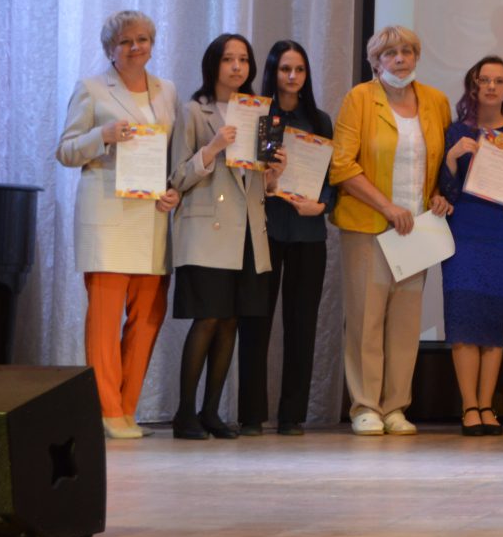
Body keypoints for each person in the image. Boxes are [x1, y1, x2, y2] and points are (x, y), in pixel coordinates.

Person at [56, 10, 182, 440]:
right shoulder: (91, 89)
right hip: (108, 216)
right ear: (110, 49)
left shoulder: (167, 90)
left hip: (152, 215)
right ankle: (107, 409)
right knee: (105, 321)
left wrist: (173, 189)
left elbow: (172, 153)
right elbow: (66, 151)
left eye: (142, 39)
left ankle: (127, 408)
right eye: (126, 41)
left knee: (148, 318)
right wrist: (103, 135)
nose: (135, 47)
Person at [329, 23, 453, 436]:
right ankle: (365, 406)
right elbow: (342, 166)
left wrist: (439, 195)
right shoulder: (359, 99)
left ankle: (396, 407)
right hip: (368, 225)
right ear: (376, 61)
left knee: (405, 323)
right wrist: (387, 207)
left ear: (417, 56)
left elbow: (440, 163)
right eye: (390, 53)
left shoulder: (435, 101)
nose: (400, 59)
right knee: (366, 320)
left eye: (407, 52)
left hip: (417, 229)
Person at [167, 33, 276, 440]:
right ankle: (184, 413)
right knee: (208, 318)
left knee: (231, 320)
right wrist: (212, 148)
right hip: (206, 230)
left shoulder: (260, 113)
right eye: (229, 59)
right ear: (213, 64)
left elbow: (261, 184)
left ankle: (211, 411)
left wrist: (275, 170)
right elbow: (177, 176)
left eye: (243, 60)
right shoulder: (194, 110)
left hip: (248, 231)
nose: (237, 67)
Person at [237, 40, 335, 436]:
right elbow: (243, 175)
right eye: (285, 69)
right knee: (255, 321)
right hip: (265, 229)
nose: (293, 76)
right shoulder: (259, 116)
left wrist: (322, 205)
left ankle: (292, 415)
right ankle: (251, 415)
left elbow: (331, 179)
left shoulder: (320, 120)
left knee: (302, 324)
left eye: (299, 70)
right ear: (272, 72)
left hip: (308, 234)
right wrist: (269, 181)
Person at [437, 56, 503, 437]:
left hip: (501, 234)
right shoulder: (456, 131)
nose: (491, 87)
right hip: (463, 232)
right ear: (474, 85)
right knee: (463, 319)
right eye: (485, 80)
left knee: (494, 321)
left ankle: (486, 405)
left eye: (499, 81)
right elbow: (444, 190)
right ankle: (469, 407)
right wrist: (452, 157)